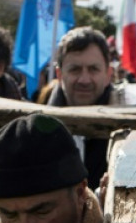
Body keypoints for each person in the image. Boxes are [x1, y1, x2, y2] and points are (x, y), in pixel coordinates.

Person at [47, 27, 118, 190]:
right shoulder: (37, 131)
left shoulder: (132, 132)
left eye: (93, 69)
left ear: (108, 74)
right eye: (75, 69)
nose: (84, 79)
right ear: (59, 74)